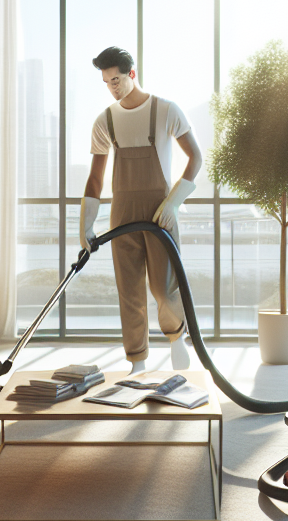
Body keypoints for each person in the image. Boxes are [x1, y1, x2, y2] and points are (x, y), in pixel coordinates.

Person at [79, 46, 202, 374]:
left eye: (116, 80)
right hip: (123, 215)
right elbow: (95, 177)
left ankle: (177, 337)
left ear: (132, 74)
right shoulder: (105, 121)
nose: (112, 88)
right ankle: (138, 362)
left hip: (160, 212)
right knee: (129, 289)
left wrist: (173, 202)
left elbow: (196, 158)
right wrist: (86, 226)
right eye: (107, 83)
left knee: (163, 287)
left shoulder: (166, 110)